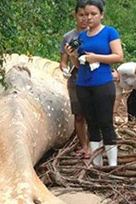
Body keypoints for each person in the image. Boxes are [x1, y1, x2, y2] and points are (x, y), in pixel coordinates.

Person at [66, 0, 123, 167]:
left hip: (103, 82)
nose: (89, 18)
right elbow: (78, 65)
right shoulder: (82, 37)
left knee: (105, 121)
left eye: (93, 14)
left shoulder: (109, 33)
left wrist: (96, 57)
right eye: (86, 14)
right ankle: (96, 162)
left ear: (101, 14)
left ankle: (112, 163)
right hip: (83, 83)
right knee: (91, 122)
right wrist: (72, 55)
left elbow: (118, 56)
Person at [59, 0, 89, 158]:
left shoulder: (96, 34)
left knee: (94, 113)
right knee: (79, 114)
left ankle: (94, 144)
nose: (85, 19)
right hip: (76, 78)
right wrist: (65, 69)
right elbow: (63, 62)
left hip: (93, 77)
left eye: (88, 15)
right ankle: (84, 146)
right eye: (81, 15)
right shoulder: (68, 37)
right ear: (75, 15)